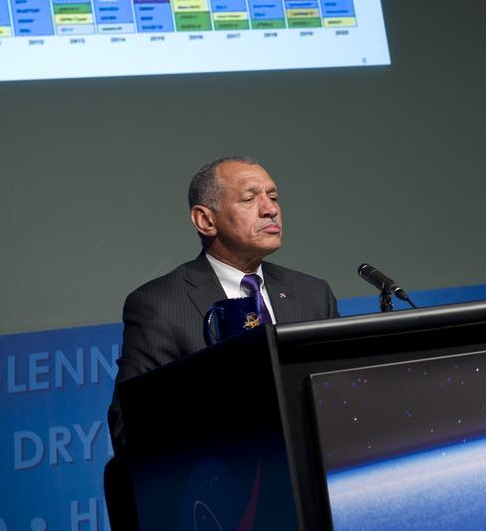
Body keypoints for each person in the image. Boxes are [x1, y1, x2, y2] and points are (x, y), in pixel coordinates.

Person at [107, 156, 338, 450]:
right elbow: (132, 426)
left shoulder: (313, 294)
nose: (270, 210)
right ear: (205, 220)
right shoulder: (159, 305)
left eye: (273, 197)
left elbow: (336, 396)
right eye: (249, 199)